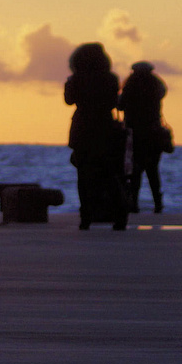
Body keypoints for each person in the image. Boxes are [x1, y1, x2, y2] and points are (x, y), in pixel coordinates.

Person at [63, 42, 128, 230]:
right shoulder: (111, 79)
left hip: (83, 128)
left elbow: (69, 100)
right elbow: (115, 102)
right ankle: (120, 215)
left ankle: (86, 217)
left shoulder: (76, 79)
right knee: (110, 173)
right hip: (105, 128)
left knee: (83, 176)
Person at [120, 61, 170, 214]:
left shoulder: (130, 87)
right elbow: (163, 92)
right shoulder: (155, 87)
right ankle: (158, 204)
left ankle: (133, 203)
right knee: (153, 170)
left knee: (135, 171)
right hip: (153, 133)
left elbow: (120, 105)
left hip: (134, 135)